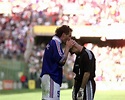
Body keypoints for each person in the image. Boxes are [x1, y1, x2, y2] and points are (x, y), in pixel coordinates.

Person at [40, 25, 75, 100]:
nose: (70, 38)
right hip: (52, 76)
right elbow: (61, 60)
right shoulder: (56, 43)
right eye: (69, 35)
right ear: (63, 35)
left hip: (48, 76)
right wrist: (67, 48)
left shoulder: (53, 43)